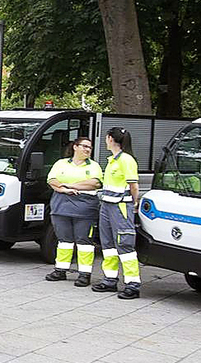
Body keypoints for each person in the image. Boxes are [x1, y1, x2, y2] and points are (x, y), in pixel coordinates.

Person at [44, 137, 102, 286]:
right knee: (64, 241)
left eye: (90, 147)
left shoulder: (94, 166)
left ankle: (84, 274)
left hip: (85, 210)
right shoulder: (61, 163)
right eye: (84, 146)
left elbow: (95, 183)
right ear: (75, 147)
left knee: (84, 242)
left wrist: (70, 186)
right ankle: (60, 270)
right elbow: (52, 180)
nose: (87, 149)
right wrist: (63, 189)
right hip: (61, 208)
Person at [92, 127, 142, 299]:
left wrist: (134, 202)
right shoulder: (113, 159)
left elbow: (133, 185)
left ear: (110, 139)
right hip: (107, 205)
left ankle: (133, 284)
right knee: (108, 245)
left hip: (121, 206)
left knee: (125, 244)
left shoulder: (126, 160)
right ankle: (110, 279)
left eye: (106, 138)